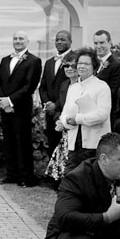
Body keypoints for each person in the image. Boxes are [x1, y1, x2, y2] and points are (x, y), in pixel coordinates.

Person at [0, 31, 42, 187]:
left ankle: (25, 177)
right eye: (15, 38)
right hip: (5, 108)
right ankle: (11, 174)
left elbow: (29, 86)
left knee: (23, 143)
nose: (18, 41)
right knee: (8, 142)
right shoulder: (5, 59)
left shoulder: (34, 61)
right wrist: (3, 102)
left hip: (21, 108)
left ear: (27, 41)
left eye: (21, 38)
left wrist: (10, 101)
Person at [59, 48, 111, 174]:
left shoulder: (101, 87)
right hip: (74, 144)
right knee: (71, 179)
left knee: (92, 181)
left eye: (86, 63)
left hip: (94, 144)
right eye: (80, 63)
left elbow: (102, 114)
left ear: (94, 66)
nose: (82, 66)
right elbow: (64, 113)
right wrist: (67, 121)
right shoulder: (73, 88)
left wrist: (78, 119)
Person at [44, 52, 78, 184]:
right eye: (66, 66)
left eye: (72, 66)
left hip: (76, 127)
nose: (69, 68)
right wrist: (59, 119)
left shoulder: (82, 85)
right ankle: (59, 182)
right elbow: (61, 106)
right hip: (63, 126)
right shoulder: (64, 84)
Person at [39, 30, 73, 156]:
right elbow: (42, 87)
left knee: (65, 147)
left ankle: (65, 175)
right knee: (52, 145)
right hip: (50, 112)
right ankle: (52, 174)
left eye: (63, 39)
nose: (59, 42)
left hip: (65, 111)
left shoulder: (74, 60)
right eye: (57, 39)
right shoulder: (49, 62)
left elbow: (73, 87)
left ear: (70, 41)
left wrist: (56, 105)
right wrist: (47, 103)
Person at [93, 30, 120, 112]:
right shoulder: (93, 63)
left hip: (107, 111)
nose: (98, 46)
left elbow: (114, 93)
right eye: (96, 43)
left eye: (102, 43)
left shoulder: (118, 65)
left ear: (110, 43)